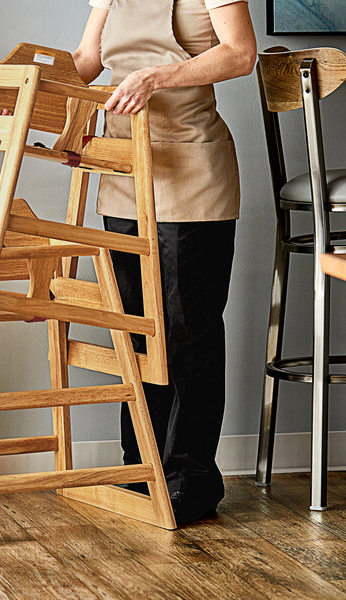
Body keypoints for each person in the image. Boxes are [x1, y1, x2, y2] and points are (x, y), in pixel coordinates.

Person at [71, 0, 257, 524]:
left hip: (191, 170)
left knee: (186, 330)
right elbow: (86, 60)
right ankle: (141, 469)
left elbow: (242, 54)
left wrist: (157, 77)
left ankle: (189, 478)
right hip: (123, 169)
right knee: (135, 328)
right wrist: (25, 91)